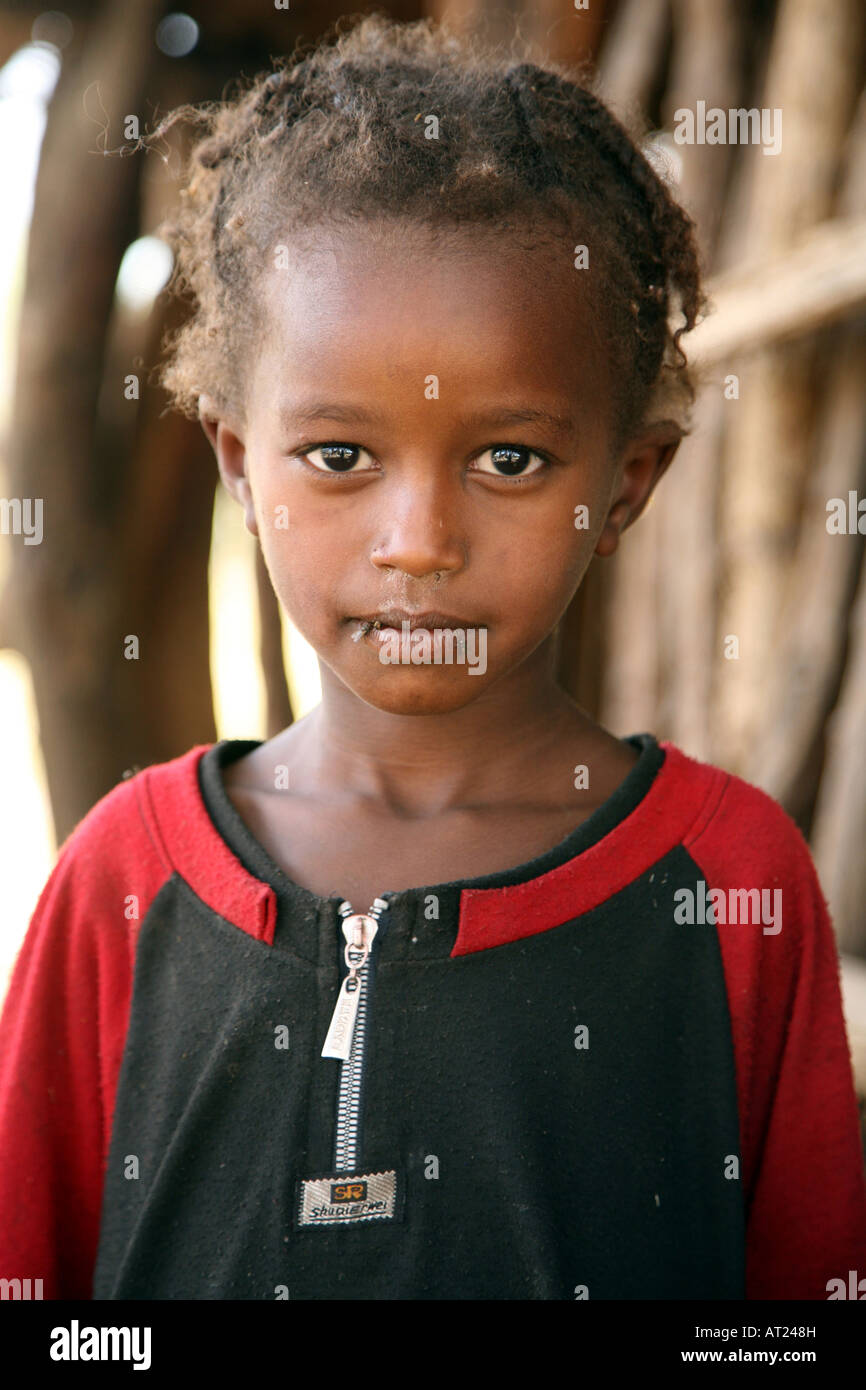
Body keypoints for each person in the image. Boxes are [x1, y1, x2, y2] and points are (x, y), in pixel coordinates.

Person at [1, 13, 864, 1301]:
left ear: (626, 485)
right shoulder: (121, 886)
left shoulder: (730, 886)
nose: (419, 544)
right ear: (240, 465)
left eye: (509, 459)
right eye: (340, 457)